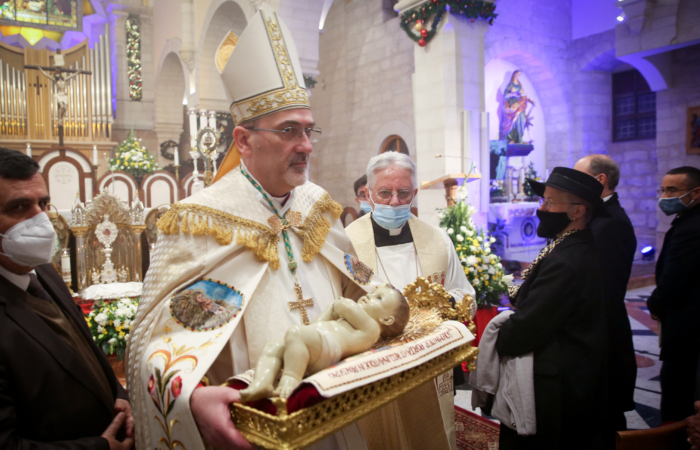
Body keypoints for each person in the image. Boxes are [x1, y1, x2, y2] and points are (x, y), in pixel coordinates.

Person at [126, 6, 424, 450]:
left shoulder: (317, 208)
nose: (305, 145)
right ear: (244, 140)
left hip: (336, 409)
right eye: (289, 131)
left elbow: (360, 290)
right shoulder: (202, 220)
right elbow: (152, 344)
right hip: (252, 422)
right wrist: (192, 397)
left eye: (308, 130)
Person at [0, 148, 133, 450]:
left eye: (43, 203)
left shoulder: (44, 271)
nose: (40, 220)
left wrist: (119, 397)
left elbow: (85, 349)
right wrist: (99, 447)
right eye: (19, 207)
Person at [345, 151, 475, 450]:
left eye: (403, 193)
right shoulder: (346, 242)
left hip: (428, 362)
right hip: (375, 363)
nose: (394, 202)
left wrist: (445, 304)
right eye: (385, 193)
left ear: (414, 193)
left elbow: (464, 293)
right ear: (368, 193)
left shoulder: (438, 240)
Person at [496, 167, 607, 449]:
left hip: (556, 385)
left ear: (576, 211)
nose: (541, 208)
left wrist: (497, 334)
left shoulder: (568, 261)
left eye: (549, 202)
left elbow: (526, 329)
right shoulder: (565, 246)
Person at [241, 285, 409, 401]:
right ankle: (261, 382)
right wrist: (330, 310)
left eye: (378, 298)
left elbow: (346, 305)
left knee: (295, 333)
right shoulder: (354, 321)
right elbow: (315, 326)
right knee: (273, 345)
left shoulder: (372, 328)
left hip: (329, 349)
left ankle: (290, 380)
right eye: (372, 293)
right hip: (320, 343)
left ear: (387, 319)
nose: (368, 296)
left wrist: (337, 304)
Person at [573, 154, 637, 441]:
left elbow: (604, 288)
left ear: (600, 180)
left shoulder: (612, 223)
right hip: (593, 329)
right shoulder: (597, 216)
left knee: (606, 415)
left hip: (604, 332)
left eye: (579, 176)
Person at [647, 166, 700, 423]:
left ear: (696, 193)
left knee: (678, 389)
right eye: (663, 189)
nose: (665, 196)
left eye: (672, 190)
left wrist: (655, 303)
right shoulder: (687, 221)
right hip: (686, 319)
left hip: (686, 322)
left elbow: (676, 278)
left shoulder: (692, 227)